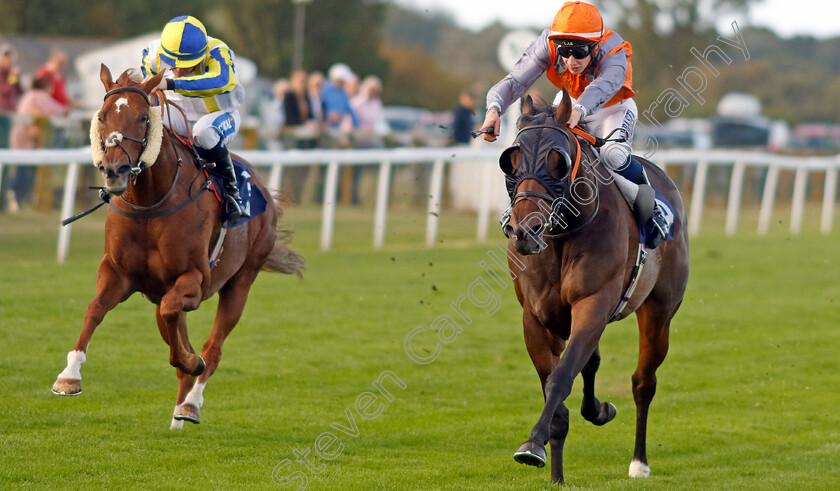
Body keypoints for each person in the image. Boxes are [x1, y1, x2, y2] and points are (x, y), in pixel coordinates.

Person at [479, 1, 671, 241]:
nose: (570, 60)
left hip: (612, 108)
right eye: (564, 51)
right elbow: (516, 80)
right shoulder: (547, 45)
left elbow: (602, 87)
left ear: (595, 45)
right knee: (544, 149)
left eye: (579, 52)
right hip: (569, 103)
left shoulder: (613, 50)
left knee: (612, 155)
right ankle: (521, 207)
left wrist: (579, 110)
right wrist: (494, 109)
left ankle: (653, 205)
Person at [141, 15, 247, 220]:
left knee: (203, 133)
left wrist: (171, 84)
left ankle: (232, 192)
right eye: (173, 64)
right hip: (180, 113)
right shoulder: (153, 52)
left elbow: (220, 80)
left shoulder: (218, 51)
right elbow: (147, 81)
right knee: (148, 123)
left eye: (187, 64)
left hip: (220, 115)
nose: (178, 70)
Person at [7, 76, 67, 211]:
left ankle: (15, 196)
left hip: (19, 134)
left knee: (20, 168)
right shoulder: (40, 96)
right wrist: (67, 108)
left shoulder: (29, 95)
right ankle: (15, 194)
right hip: (26, 136)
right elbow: (57, 110)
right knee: (24, 169)